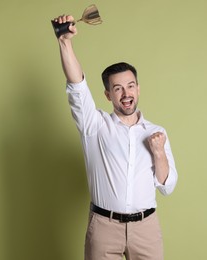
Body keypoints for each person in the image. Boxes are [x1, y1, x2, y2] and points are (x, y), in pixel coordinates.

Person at [54, 14, 178, 260]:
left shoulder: (157, 132)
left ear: (138, 89)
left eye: (131, 85)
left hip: (146, 228)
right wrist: (64, 42)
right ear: (108, 94)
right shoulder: (95, 126)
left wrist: (158, 152)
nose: (126, 93)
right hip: (104, 227)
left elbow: (167, 186)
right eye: (118, 88)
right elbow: (77, 86)